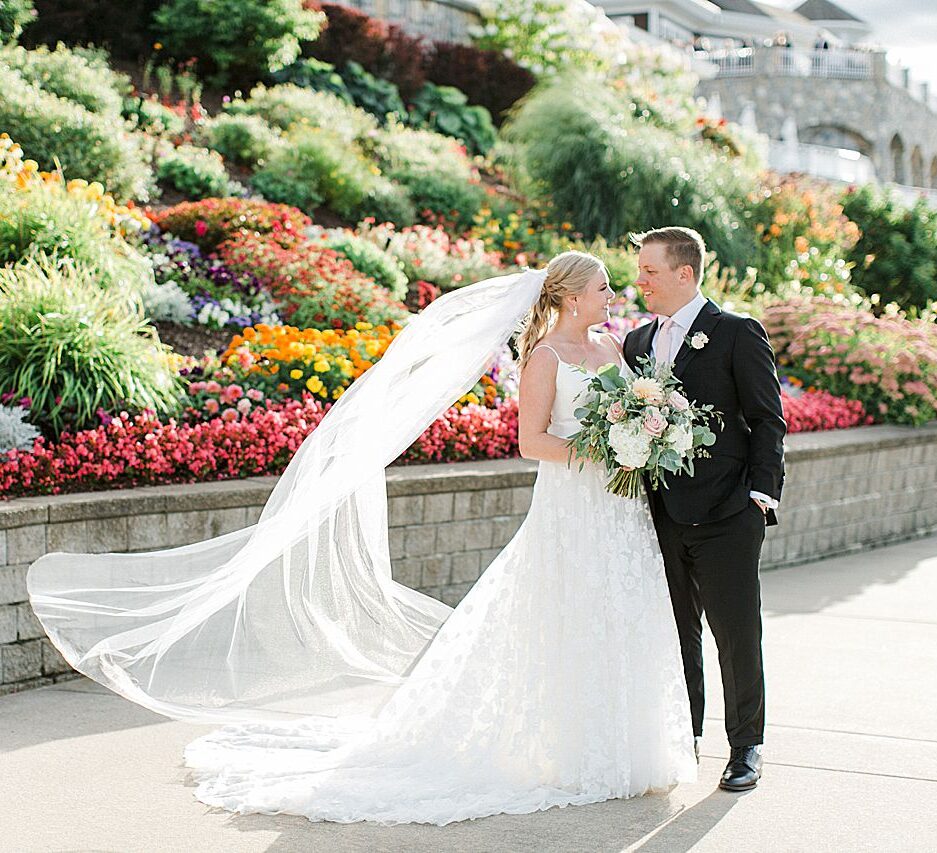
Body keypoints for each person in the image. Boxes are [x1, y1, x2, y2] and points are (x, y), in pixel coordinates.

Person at [29, 251, 696, 826]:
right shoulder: (546, 357)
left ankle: (624, 746)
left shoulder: (612, 348)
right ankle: (568, 750)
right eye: (605, 286)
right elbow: (530, 441)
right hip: (571, 508)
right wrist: (603, 451)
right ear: (575, 295)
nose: (614, 295)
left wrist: (638, 439)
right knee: (561, 619)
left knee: (620, 617)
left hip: (619, 511)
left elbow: (633, 408)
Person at [623, 227, 786, 792]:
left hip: (727, 514)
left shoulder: (737, 333)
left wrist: (760, 497)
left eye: (649, 271)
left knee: (736, 635)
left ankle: (746, 747)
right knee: (676, 634)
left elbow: (768, 419)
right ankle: (685, 735)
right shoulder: (637, 342)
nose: (638, 280)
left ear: (684, 274)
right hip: (660, 515)